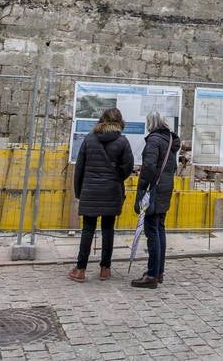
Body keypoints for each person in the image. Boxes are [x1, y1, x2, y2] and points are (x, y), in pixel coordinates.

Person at [69, 107, 134, 282]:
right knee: (108, 229)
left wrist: (79, 191)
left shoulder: (90, 139)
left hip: (90, 189)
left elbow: (80, 168)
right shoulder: (122, 142)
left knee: (88, 229)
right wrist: (116, 177)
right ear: (119, 121)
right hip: (111, 190)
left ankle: (81, 269)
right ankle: (105, 268)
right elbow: (128, 167)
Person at [131, 111, 180, 289]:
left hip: (153, 190)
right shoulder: (169, 141)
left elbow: (149, 167)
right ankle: (158, 271)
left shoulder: (154, 140)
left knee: (152, 231)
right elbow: (171, 167)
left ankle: (152, 275)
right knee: (159, 228)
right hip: (165, 188)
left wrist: (143, 187)